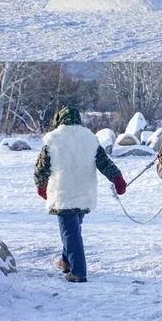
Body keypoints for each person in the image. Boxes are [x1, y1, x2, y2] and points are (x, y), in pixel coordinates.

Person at [34, 106, 127, 282]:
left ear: (59, 120)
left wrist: (41, 186)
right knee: (72, 229)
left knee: (70, 232)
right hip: (84, 192)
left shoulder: (53, 139)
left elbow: (41, 168)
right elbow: (104, 163)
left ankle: (78, 272)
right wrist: (117, 178)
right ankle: (65, 261)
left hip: (63, 192)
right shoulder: (89, 139)